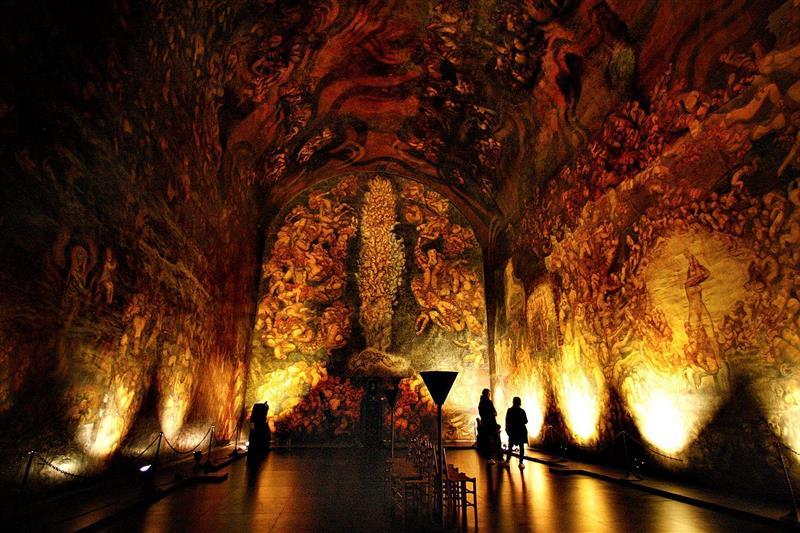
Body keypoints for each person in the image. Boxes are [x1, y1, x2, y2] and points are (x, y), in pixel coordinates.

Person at [478, 388, 503, 464]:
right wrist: (492, 414)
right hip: (491, 424)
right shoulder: (488, 402)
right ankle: (499, 458)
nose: (489, 395)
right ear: (487, 394)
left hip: (485, 424)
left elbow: (483, 414)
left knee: (488, 442)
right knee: (497, 441)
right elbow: (494, 413)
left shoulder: (481, 403)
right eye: (489, 394)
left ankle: (489, 458)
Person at [504, 397, 528, 469]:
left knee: (510, 447)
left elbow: (507, 421)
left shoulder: (510, 410)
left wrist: (507, 430)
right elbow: (526, 421)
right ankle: (521, 462)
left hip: (513, 431)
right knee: (521, 447)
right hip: (521, 431)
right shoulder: (522, 411)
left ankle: (507, 461)